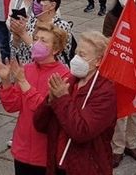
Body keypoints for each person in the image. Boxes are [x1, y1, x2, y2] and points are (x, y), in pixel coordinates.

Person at [0, 24, 71, 174]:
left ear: (55, 49)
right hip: (22, 149)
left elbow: (46, 111)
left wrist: (23, 83)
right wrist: (6, 81)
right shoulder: (27, 69)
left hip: (46, 153)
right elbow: (12, 106)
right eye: (36, 39)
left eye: (44, 40)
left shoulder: (64, 76)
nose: (37, 43)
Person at [33, 31, 117, 175]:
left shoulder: (105, 92)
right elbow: (40, 124)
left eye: (82, 55)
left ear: (98, 61)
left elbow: (81, 132)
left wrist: (63, 98)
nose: (76, 58)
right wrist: (49, 101)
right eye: (77, 53)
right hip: (57, 164)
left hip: (85, 167)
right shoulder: (70, 81)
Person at [102, 0, 136, 167]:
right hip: (118, 68)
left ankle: (131, 144)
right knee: (121, 111)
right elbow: (106, 40)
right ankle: (117, 148)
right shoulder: (112, 16)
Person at [11, 0, 75, 65]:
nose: (35, 2)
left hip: (49, 74)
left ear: (52, 5)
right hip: (27, 71)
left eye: (39, 0)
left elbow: (47, 55)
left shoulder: (61, 26)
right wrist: (16, 38)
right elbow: (16, 52)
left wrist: (23, 35)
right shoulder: (31, 21)